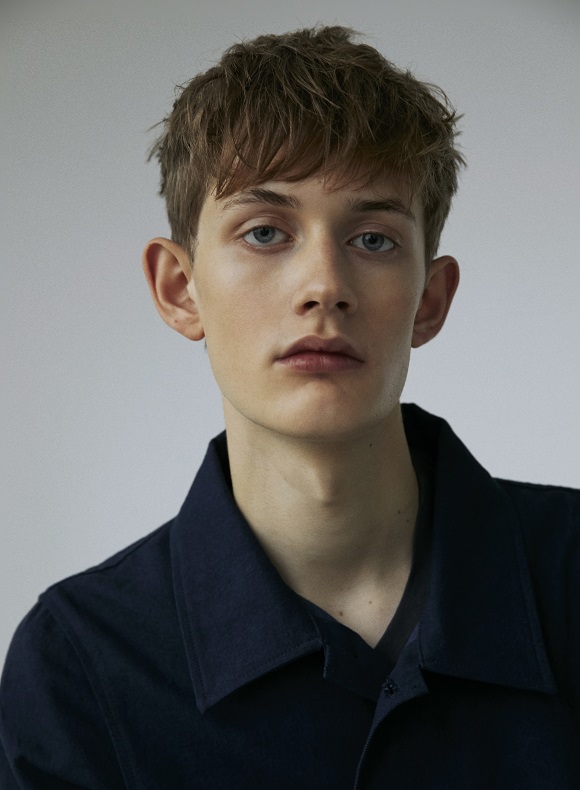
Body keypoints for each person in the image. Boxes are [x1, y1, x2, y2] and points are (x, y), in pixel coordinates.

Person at [1, 24, 578, 789]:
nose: (324, 285)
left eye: (373, 240)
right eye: (266, 231)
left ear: (430, 300)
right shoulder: (78, 662)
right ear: (179, 289)